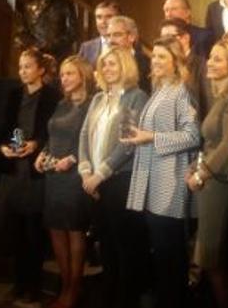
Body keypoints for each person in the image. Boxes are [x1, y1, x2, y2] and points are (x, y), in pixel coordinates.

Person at [124, 36, 200, 308]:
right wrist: (138, 137)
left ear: (176, 62)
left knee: (171, 260)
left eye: (162, 57)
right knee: (162, 258)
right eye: (153, 56)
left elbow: (193, 136)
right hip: (151, 181)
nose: (155, 61)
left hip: (169, 186)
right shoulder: (159, 89)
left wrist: (151, 137)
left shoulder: (181, 90)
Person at [77, 46, 149, 308]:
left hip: (120, 181)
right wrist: (86, 171)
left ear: (126, 66)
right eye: (104, 64)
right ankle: (109, 297)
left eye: (113, 64)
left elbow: (128, 142)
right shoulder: (98, 99)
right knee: (105, 244)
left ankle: (126, 300)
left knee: (125, 247)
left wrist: (101, 173)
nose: (107, 69)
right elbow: (84, 135)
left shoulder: (135, 97)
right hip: (94, 181)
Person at [185, 39, 228, 308]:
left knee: (210, 256)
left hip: (219, 182)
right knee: (211, 256)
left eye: (218, 59)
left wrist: (201, 173)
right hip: (210, 180)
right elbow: (211, 143)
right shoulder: (221, 96)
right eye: (210, 57)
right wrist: (197, 167)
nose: (210, 63)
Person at [0, 47, 60, 304]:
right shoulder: (14, 94)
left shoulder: (51, 96)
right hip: (13, 170)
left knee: (34, 231)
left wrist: (35, 145)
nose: (23, 71)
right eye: (21, 67)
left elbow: (51, 133)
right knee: (15, 230)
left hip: (35, 171)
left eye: (28, 67)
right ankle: (18, 282)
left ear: (41, 70)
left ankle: (34, 285)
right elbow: (4, 129)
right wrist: (3, 147)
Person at [35, 55, 95, 308]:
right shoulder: (61, 104)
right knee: (55, 229)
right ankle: (65, 284)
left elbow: (93, 141)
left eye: (69, 73)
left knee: (73, 230)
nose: (64, 78)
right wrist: (42, 153)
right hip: (53, 175)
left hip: (74, 175)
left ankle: (74, 289)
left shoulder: (93, 104)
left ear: (82, 75)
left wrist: (71, 159)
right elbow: (52, 135)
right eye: (62, 74)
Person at [14, 0, 78, 63]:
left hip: (59, 56)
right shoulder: (29, 7)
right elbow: (21, 33)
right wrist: (34, 45)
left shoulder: (66, 5)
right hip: (35, 57)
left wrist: (52, 45)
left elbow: (72, 32)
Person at [160, 17, 209, 118]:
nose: (164, 43)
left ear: (186, 38)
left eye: (170, 37)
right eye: (162, 38)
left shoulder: (202, 66)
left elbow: (208, 104)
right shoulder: (162, 66)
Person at [106, 15, 151, 94]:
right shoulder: (103, 64)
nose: (111, 40)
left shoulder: (146, 63)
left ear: (132, 37)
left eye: (117, 35)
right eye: (108, 36)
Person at [79, 1, 120, 67]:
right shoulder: (86, 48)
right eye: (99, 17)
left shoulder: (127, 44)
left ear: (119, 19)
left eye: (108, 17)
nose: (103, 21)